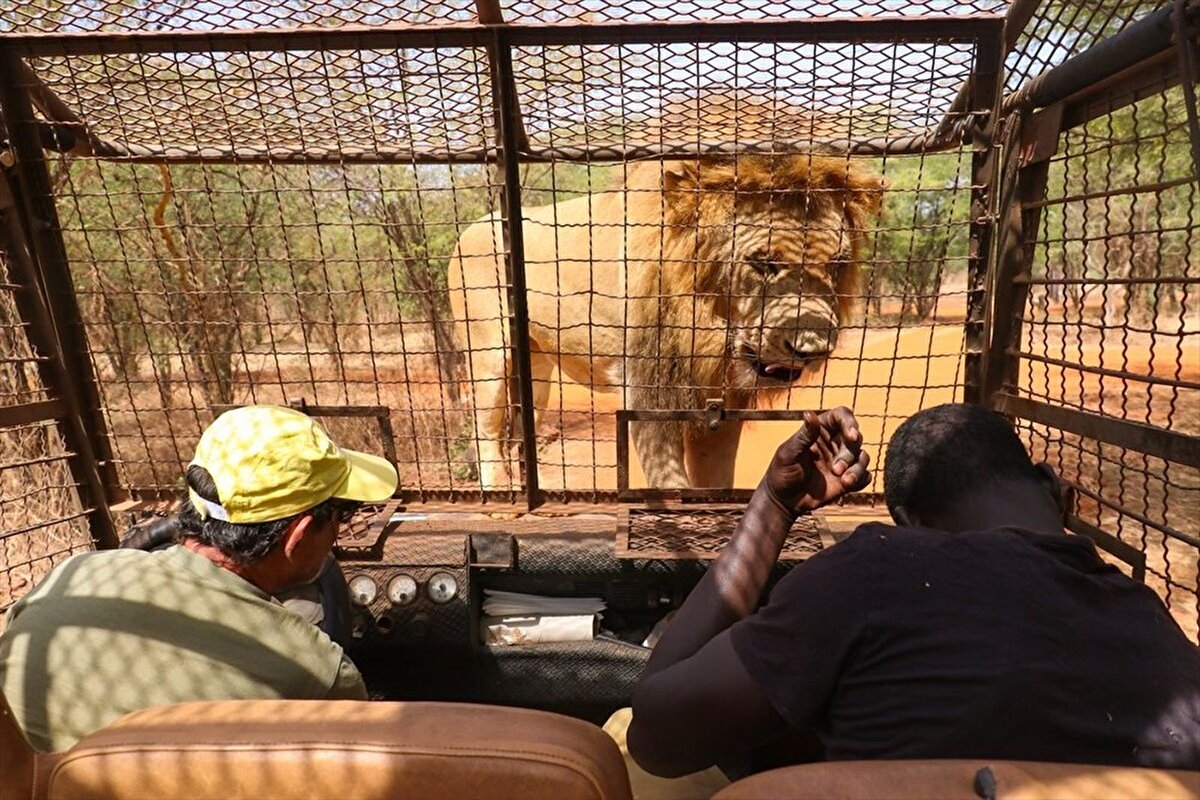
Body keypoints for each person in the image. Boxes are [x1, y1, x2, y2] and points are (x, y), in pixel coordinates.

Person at [626, 402, 1200, 781]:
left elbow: (655, 737)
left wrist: (773, 507)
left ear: (910, 524)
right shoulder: (1159, 630)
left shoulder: (878, 570)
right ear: (1057, 490)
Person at [0, 404, 398, 751]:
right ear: (298, 535)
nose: (339, 533)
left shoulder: (71, 577)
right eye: (340, 518)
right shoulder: (316, 671)